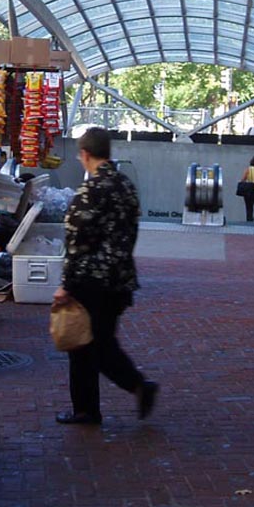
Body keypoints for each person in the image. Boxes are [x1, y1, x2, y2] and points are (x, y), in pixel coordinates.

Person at [53, 127, 157, 425]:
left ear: (85, 155)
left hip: (91, 281)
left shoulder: (90, 191)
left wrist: (65, 284)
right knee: (100, 341)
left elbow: (76, 241)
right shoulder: (126, 186)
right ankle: (89, 407)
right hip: (121, 278)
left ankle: (133, 387)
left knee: (88, 345)